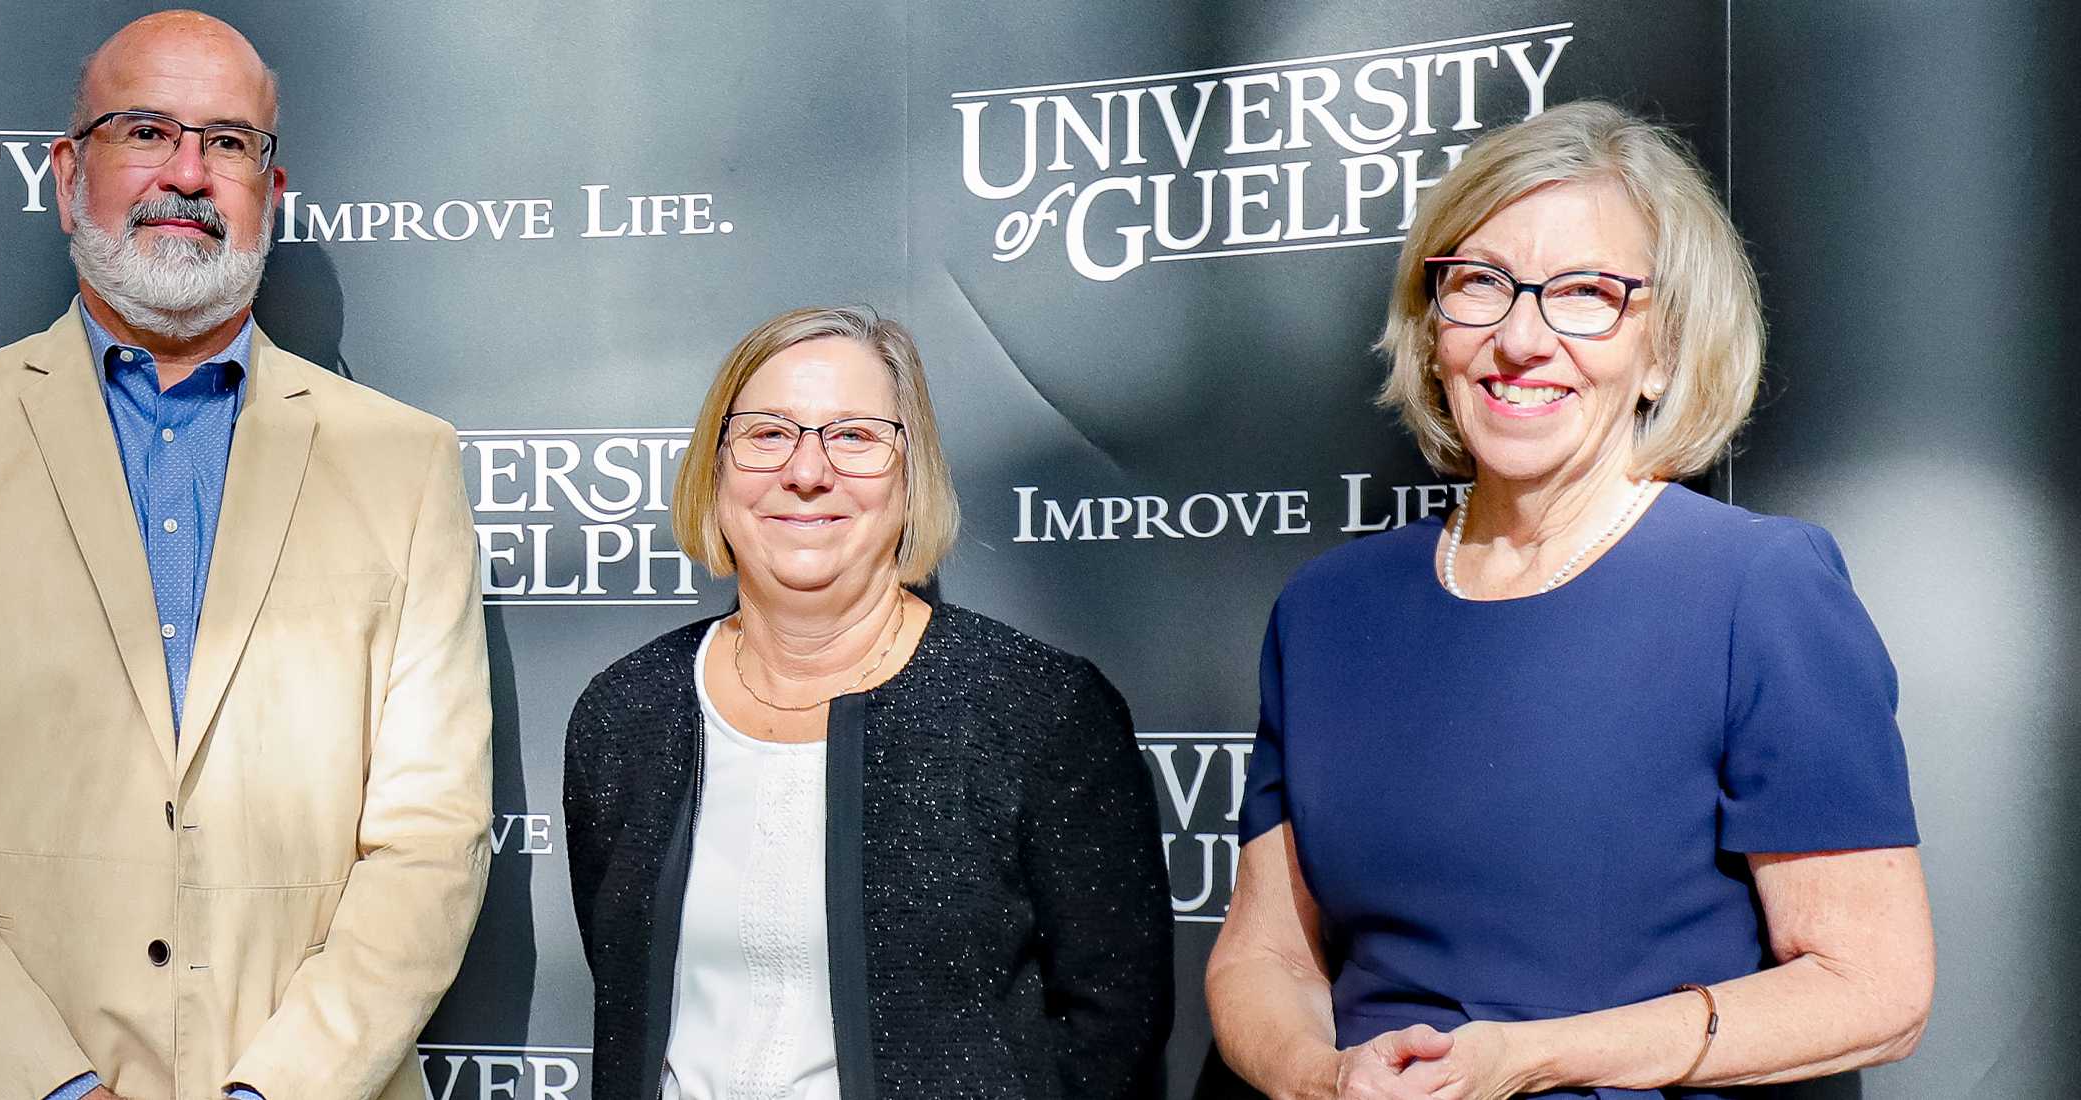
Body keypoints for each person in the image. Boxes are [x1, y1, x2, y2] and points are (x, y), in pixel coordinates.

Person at [0, 12, 491, 1100]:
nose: (188, 173)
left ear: (272, 188)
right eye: (145, 131)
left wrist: (278, 1090)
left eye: (228, 143)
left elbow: (431, 841)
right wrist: (50, 1085)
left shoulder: (403, 464)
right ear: (69, 176)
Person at [1205, 101, 1933, 1100]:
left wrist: (1528, 1055)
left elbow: (1874, 986)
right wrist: (1323, 1075)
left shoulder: (1756, 589)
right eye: (1480, 285)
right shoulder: (1328, 610)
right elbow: (1267, 959)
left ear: (1665, 350)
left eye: (1587, 293)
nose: (1520, 338)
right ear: (1432, 331)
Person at [563, 305, 1171, 1100]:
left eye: (853, 436)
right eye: (767, 433)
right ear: (714, 471)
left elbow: (1113, 1026)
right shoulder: (626, 715)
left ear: (911, 477)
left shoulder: (1036, 710)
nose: (807, 472)